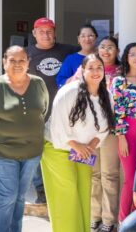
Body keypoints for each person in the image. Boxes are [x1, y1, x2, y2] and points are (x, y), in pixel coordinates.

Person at [0, 45, 49, 232]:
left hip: (31, 153)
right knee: (7, 197)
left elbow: (44, 110)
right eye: (12, 60)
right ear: (4, 62)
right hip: (3, 152)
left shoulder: (38, 83)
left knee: (19, 197)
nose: (17, 64)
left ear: (28, 62)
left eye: (21, 60)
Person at [41, 54, 113, 232]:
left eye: (99, 68)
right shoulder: (68, 91)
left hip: (85, 151)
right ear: (82, 70)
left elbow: (105, 127)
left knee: (82, 194)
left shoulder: (106, 95)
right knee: (66, 198)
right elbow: (57, 125)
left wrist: (91, 144)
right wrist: (78, 146)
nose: (96, 72)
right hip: (57, 149)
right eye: (91, 68)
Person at [26, 17, 78, 203]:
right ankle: (41, 191)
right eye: (41, 31)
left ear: (55, 32)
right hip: (36, 113)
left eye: (49, 31)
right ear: (34, 34)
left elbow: (87, 54)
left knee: (65, 149)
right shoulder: (26, 54)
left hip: (65, 112)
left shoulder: (68, 51)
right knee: (36, 153)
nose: (46, 34)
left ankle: (65, 188)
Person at [86, 37, 122, 232]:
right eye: (103, 47)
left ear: (117, 51)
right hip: (89, 131)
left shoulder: (121, 73)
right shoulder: (86, 69)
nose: (106, 50)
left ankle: (109, 220)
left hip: (110, 131)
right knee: (94, 175)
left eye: (110, 47)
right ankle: (94, 217)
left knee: (109, 175)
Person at [111, 42, 136, 221]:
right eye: (132, 54)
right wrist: (121, 137)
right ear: (126, 57)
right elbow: (117, 111)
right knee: (131, 179)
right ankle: (124, 221)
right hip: (129, 134)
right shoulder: (120, 81)